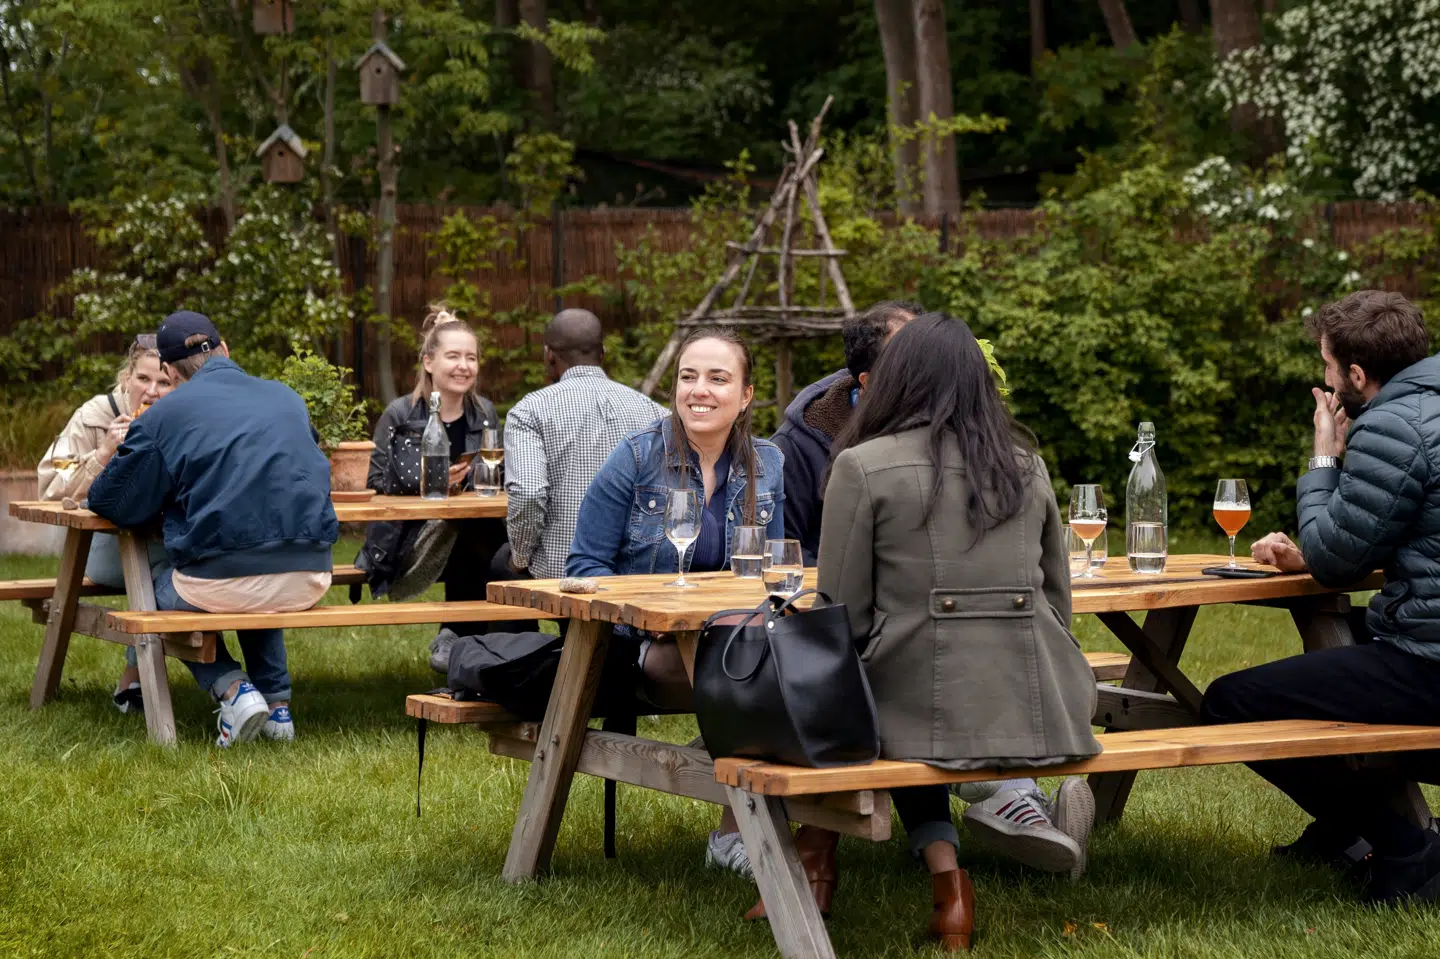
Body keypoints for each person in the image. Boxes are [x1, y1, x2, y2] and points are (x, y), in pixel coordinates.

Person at [794, 312, 1100, 951]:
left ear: (895, 380)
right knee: (895, 713)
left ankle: (819, 871)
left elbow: (841, 617)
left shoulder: (862, 465)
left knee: (843, 703)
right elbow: (1059, 602)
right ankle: (941, 885)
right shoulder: (1027, 464)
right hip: (1039, 701)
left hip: (916, 705)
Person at [1201, 290, 1440, 905]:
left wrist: (1323, 456)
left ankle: (1408, 848)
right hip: (1423, 627)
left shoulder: (1392, 424)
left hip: (1430, 662)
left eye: (1330, 367)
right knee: (1334, 653)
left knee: (1232, 701)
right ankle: (1343, 833)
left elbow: (1335, 563)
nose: (1327, 380)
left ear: (1357, 375)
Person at [566, 326, 785, 879]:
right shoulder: (637, 458)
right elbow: (584, 567)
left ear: (747, 394)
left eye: (717, 378)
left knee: (780, 670)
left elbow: (775, 569)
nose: (699, 390)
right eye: (688, 377)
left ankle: (737, 813)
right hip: (645, 646)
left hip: (740, 636)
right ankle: (749, 830)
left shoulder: (769, 463)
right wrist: (650, 615)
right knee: (758, 680)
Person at [87, 311, 339, 747]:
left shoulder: (165, 416)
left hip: (221, 581)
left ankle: (232, 689)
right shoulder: (286, 397)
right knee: (258, 563)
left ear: (168, 370)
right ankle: (278, 708)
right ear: (225, 351)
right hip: (311, 575)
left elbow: (111, 502)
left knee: (152, 590)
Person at [360, 308, 520, 666]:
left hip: (470, 538)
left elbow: (499, 473)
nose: (464, 365)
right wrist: (423, 483)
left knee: (480, 528)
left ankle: (464, 637)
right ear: (429, 362)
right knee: (480, 534)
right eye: (453, 356)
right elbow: (373, 481)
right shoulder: (400, 414)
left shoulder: (485, 413)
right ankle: (486, 633)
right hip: (410, 541)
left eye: (471, 357)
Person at [38, 335, 174, 714]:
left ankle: (137, 681)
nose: (152, 391)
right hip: (99, 549)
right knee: (172, 570)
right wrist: (102, 454)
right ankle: (150, 680)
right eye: (143, 379)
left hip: (162, 539)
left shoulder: (180, 416)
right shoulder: (94, 417)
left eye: (163, 382)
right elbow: (49, 487)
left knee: (188, 562)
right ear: (127, 376)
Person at [503, 309, 664, 581]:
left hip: (562, 569)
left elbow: (528, 493)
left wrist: (520, 558)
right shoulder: (656, 413)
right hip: (638, 571)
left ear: (549, 355)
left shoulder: (530, 410)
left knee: (500, 564)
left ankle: (491, 626)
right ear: (602, 354)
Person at [772, 300, 920, 565]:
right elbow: (783, 549)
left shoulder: (948, 432)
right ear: (867, 381)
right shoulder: (797, 445)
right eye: (907, 362)